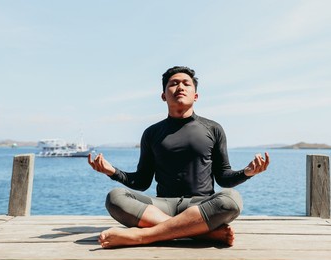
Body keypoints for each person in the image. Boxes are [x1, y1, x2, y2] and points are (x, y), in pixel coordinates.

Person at [88, 66, 270, 249]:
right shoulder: (152, 133)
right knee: (115, 197)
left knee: (231, 199)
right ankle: (201, 233)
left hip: (201, 204)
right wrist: (112, 172)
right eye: (173, 84)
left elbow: (224, 177)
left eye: (186, 83)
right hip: (162, 205)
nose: (180, 87)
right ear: (163, 96)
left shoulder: (213, 129)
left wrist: (247, 172)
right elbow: (142, 181)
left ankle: (143, 236)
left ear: (196, 96)